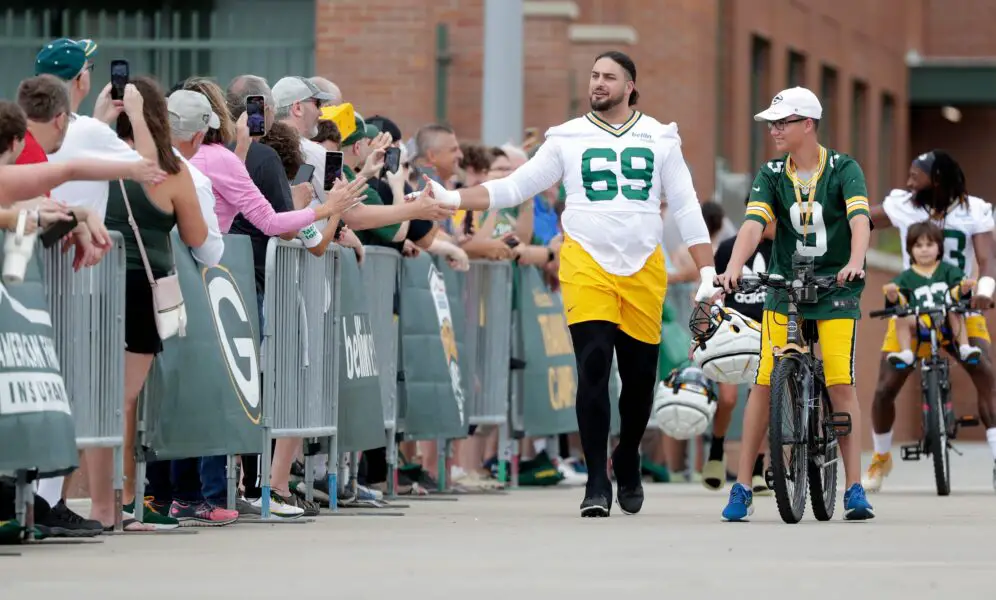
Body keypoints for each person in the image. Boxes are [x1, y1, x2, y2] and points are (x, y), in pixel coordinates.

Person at [423, 50, 718, 517]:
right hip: (585, 262)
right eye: (594, 75)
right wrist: (452, 196)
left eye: (609, 77)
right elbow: (513, 187)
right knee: (595, 365)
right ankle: (597, 480)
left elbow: (685, 207)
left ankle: (627, 456)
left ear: (631, 87)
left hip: (643, 265)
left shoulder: (661, 137)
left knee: (639, 381)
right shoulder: (566, 136)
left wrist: (707, 271)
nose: (598, 83)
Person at [715, 86, 874, 522]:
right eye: (771, 123)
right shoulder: (770, 173)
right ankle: (743, 486)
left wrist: (856, 262)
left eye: (782, 122)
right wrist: (733, 266)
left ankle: (854, 487)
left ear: (808, 124)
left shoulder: (844, 168)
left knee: (840, 379)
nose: (774, 130)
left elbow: (860, 219)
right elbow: (753, 223)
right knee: (765, 381)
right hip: (785, 286)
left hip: (836, 286)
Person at [103, 78, 210, 531]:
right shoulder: (170, 171)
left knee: (89, 392)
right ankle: (124, 497)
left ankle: (78, 496)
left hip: (84, 282)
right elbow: (198, 237)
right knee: (123, 400)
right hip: (138, 287)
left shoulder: (95, 157)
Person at [863, 150, 996, 491]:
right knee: (884, 389)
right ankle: (880, 458)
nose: (908, 181)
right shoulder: (905, 204)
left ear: (935, 180)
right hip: (913, 306)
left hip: (959, 305)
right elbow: (862, 219)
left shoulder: (973, 210)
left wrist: (984, 288)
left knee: (986, 374)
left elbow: (986, 258)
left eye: (915, 175)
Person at [705, 195, 773, 495]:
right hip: (733, 329)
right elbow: (715, 293)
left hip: (769, 328)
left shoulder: (783, 246)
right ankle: (716, 451)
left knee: (762, 396)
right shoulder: (729, 247)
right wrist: (704, 334)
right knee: (729, 398)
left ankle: (758, 469)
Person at [883, 221, 980, 365]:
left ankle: (965, 347)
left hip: (945, 318)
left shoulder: (949, 270)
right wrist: (892, 295)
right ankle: (906, 352)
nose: (924, 250)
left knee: (954, 310)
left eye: (929, 245)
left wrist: (964, 288)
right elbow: (899, 301)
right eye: (918, 245)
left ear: (939, 247)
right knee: (900, 317)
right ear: (910, 249)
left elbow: (956, 292)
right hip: (920, 320)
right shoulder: (905, 277)